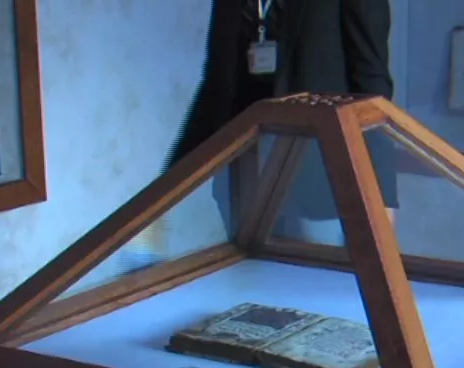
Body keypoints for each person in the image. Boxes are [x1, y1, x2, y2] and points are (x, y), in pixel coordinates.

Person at [165, 0, 399, 242]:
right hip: (244, 187)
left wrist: (382, 192)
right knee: (252, 267)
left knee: (321, 265)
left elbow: (371, 85)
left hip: (321, 186)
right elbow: (216, 88)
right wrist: (167, 191)